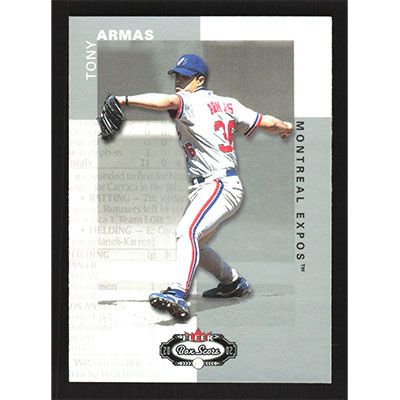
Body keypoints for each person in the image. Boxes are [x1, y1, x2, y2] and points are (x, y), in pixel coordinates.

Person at [115, 54, 293, 320]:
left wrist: (124, 100)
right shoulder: (228, 103)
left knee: (186, 232)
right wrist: (284, 127)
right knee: (194, 241)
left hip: (218, 184)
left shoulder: (188, 100)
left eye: (185, 76)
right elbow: (266, 121)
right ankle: (232, 282)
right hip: (216, 186)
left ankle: (178, 292)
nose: (179, 81)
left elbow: (168, 101)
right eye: (177, 75)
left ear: (200, 80)